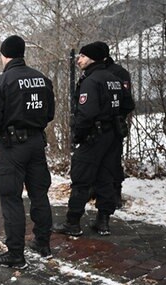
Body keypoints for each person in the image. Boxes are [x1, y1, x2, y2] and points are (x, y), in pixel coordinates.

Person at [0, 35, 55, 269]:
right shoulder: (42, 79)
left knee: (11, 197)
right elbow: (50, 114)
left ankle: (15, 253)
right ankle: (43, 243)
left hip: (13, 146)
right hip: (36, 143)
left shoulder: (0, 83)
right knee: (39, 194)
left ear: (4, 55)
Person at [53, 42, 125, 237]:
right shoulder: (114, 79)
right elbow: (127, 105)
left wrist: (79, 134)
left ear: (92, 58)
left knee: (81, 178)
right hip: (112, 136)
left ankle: (73, 223)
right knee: (105, 178)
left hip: (94, 136)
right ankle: (103, 222)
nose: (79, 59)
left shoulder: (91, 81)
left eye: (83, 56)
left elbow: (86, 113)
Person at [96, 41, 135, 209]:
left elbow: (127, 102)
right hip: (96, 125)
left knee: (113, 160)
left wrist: (117, 118)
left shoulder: (119, 73)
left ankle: (115, 193)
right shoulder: (95, 72)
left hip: (114, 125)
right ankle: (99, 192)